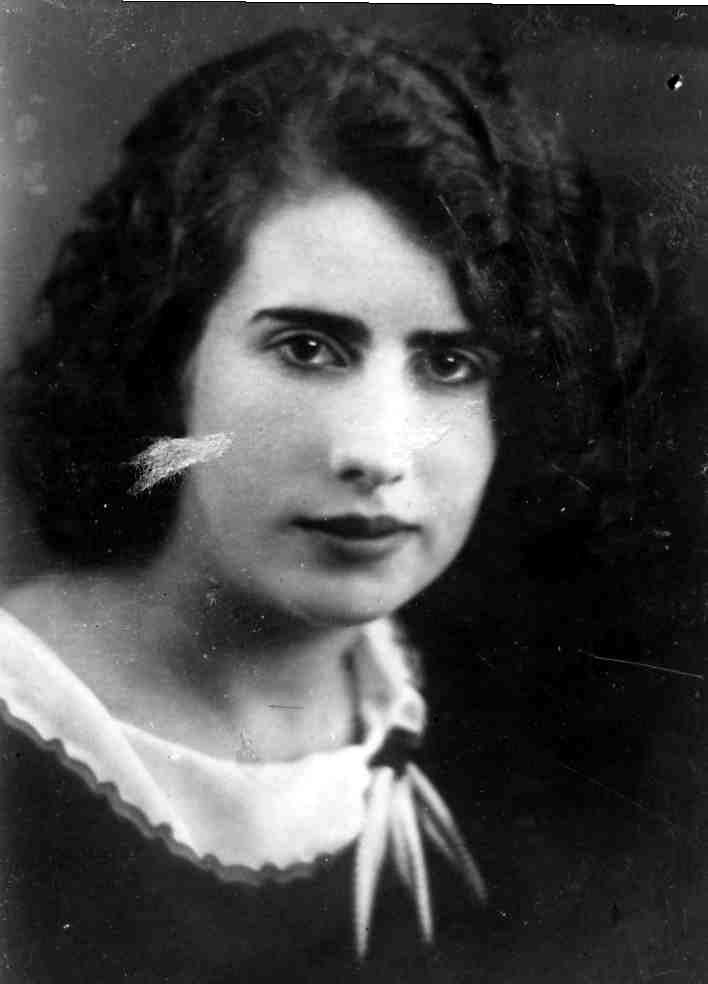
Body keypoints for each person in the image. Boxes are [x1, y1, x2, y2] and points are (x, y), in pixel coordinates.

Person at [0, 26, 660, 983]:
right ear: (170, 353)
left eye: (450, 363)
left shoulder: (465, 726)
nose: (376, 454)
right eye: (307, 348)